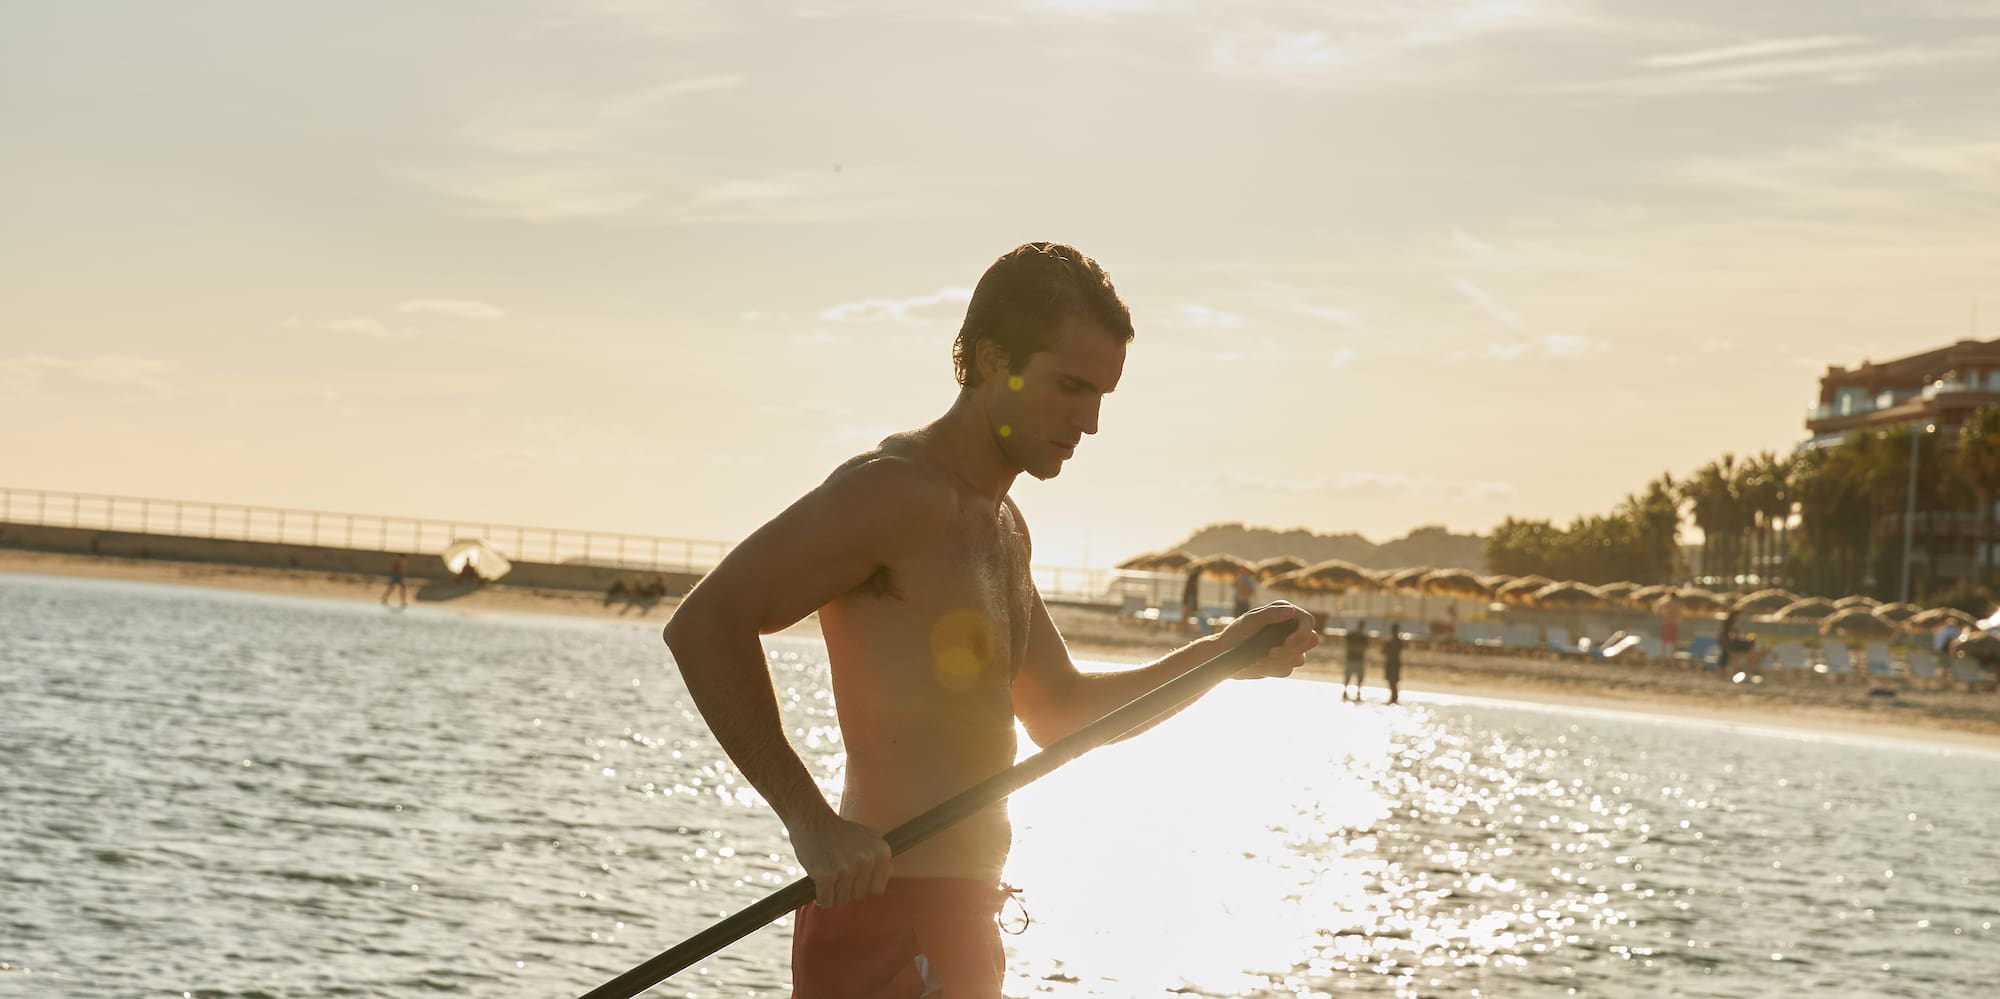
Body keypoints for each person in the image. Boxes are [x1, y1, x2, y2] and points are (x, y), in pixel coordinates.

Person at [661, 242, 1319, 998]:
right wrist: (810, 823)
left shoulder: (1004, 526)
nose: (1090, 422)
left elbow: (1061, 714)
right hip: (886, 920)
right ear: (990, 359)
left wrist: (1222, 656)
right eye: (1070, 386)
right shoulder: (892, 493)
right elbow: (706, 623)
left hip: (966, 919)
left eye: (1102, 394)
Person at [1342, 618, 1368, 702]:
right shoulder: (1351, 635)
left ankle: (1358, 692)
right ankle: (1345, 691)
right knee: (1348, 677)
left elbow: (1362, 648)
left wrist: (1354, 648)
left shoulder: (1363, 637)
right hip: (1352, 660)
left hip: (1357, 660)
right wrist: (1357, 649)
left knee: (1359, 678)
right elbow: (1348, 646)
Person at [1382, 622, 1404, 704]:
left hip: (1393, 663)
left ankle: (1394, 697)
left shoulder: (1394, 642)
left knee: (1392, 681)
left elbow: (1386, 651)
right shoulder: (1396, 641)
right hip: (1393, 663)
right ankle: (1394, 697)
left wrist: (1386, 646)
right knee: (1392, 681)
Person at [1181, 565, 1203, 635]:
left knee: (1186, 614)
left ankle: (1185, 629)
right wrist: (1197, 595)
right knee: (1187, 614)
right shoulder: (1195, 576)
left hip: (1187, 596)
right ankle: (1185, 629)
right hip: (1191, 596)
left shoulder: (1191, 575)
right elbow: (1196, 587)